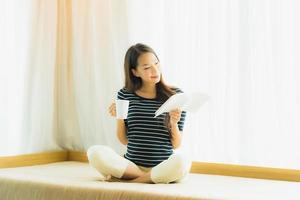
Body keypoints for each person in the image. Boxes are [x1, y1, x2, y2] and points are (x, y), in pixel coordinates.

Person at [87, 43, 191, 184]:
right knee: (94, 152)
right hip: (131, 165)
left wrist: (174, 123)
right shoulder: (125, 95)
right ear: (135, 72)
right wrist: (119, 117)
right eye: (147, 67)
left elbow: (176, 145)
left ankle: (131, 181)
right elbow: (124, 140)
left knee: (182, 161)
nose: (155, 70)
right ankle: (148, 178)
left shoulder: (176, 95)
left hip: (163, 165)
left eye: (156, 63)